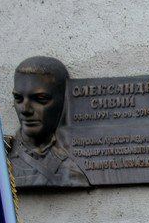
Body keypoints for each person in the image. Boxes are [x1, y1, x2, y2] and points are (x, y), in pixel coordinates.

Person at [7, 56, 91, 189]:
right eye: (18, 98)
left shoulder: (74, 169)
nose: (25, 110)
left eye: (40, 99)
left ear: (64, 101)